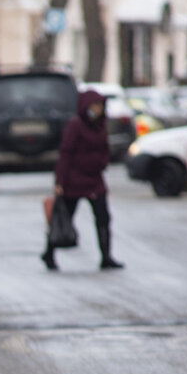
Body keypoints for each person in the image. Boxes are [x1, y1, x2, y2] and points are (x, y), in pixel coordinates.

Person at [41, 88, 124, 272]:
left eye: (100, 106)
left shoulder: (101, 125)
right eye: (94, 106)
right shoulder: (75, 125)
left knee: (103, 218)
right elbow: (65, 154)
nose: (97, 109)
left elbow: (104, 149)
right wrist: (59, 182)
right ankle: (49, 252)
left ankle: (106, 256)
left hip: (95, 180)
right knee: (64, 218)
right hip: (74, 180)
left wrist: (103, 163)